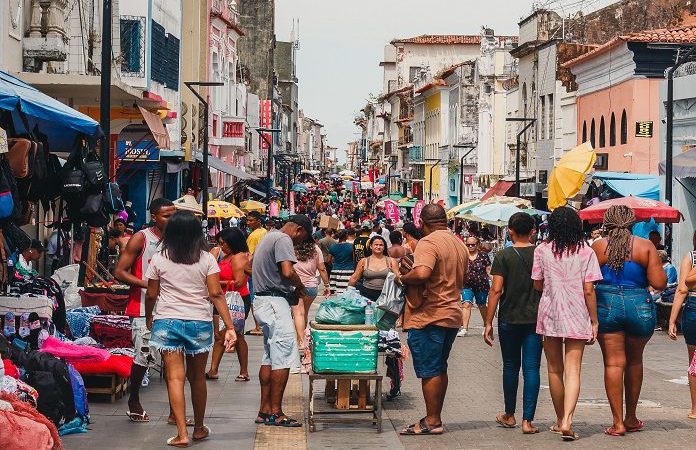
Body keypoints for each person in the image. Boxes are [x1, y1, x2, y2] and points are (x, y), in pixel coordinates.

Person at [144, 211, 237, 447]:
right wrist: (229, 326)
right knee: (198, 378)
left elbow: (152, 293)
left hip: (167, 321)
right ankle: (198, 428)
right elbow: (216, 293)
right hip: (199, 322)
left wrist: (149, 317)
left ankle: (181, 433)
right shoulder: (207, 258)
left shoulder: (159, 258)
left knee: (174, 378)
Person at [591, 205, 666, 436]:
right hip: (638, 305)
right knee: (635, 361)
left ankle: (617, 423)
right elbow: (660, 283)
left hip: (606, 303)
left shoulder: (599, 246)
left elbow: (587, 280)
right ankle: (631, 417)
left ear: (608, 224)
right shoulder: (645, 246)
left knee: (613, 363)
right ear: (633, 224)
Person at [532, 207, 602, 441]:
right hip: (577, 314)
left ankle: (559, 418)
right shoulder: (586, 252)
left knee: (554, 369)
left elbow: (537, 285)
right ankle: (568, 421)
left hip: (550, 313)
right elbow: (589, 290)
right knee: (574, 371)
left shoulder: (542, 250)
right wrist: (594, 321)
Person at [399, 204, 468, 435]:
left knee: (430, 370)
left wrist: (402, 278)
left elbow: (422, 273)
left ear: (422, 222)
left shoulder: (428, 242)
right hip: (451, 314)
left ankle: (432, 420)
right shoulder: (458, 243)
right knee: (440, 367)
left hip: (429, 315)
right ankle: (435, 417)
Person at [115, 198, 177, 424]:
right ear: (154, 217)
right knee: (144, 356)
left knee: (174, 360)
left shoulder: (177, 239)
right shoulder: (142, 238)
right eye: (165, 216)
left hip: (171, 308)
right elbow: (120, 272)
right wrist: (148, 285)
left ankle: (175, 411)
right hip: (142, 308)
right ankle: (134, 399)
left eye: (173, 215)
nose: (171, 220)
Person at [483, 213, 542, 435]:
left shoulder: (504, 255)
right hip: (535, 318)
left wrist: (488, 322)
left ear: (510, 231)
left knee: (510, 366)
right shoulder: (540, 253)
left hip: (509, 317)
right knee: (532, 368)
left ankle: (509, 414)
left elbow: (496, 289)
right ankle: (528, 421)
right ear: (533, 230)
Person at [252, 215, 313, 427]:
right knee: (284, 357)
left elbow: (251, 267)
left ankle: (264, 410)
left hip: (261, 300)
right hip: (274, 303)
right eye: (302, 239)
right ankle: (276, 413)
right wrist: (300, 286)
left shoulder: (267, 237)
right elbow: (288, 271)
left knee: (269, 356)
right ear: (298, 230)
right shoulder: (284, 239)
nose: (300, 244)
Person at [206, 227, 251, 382]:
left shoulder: (238, 257)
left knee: (236, 334)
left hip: (237, 299)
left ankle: (243, 371)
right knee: (219, 335)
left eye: (223, 243)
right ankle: (213, 370)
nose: (221, 246)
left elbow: (238, 282)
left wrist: (215, 282)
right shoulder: (225, 256)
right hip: (222, 299)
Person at [668, 230, 696, 419]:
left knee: (694, 361)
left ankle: (695, 408)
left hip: (694, 307)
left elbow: (682, 289)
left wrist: (672, 320)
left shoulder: (692, 257)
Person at [292, 239, 331, 344]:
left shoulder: (291, 248)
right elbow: (322, 268)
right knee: (304, 313)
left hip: (295, 286)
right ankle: (302, 339)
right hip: (311, 287)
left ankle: (300, 341)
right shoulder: (316, 249)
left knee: (298, 313)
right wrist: (327, 285)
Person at [348, 236, 400, 302]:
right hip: (366, 296)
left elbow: (397, 277)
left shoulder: (391, 261)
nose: (378, 247)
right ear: (370, 246)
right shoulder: (364, 261)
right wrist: (348, 292)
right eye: (376, 245)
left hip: (386, 296)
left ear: (384, 247)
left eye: (381, 245)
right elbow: (354, 278)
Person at [459, 236, 491, 337]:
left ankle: (486, 326)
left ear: (477, 245)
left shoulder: (483, 256)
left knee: (481, 305)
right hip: (467, 285)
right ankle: (464, 328)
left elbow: (489, 270)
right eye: (468, 244)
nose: (470, 246)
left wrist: (496, 283)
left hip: (481, 285)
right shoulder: (463, 256)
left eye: (473, 244)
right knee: (466, 304)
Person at [246, 211, 267, 336]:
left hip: (254, 271)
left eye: (251, 220)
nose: (248, 223)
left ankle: (258, 326)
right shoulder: (264, 232)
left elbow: (250, 255)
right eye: (247, 220)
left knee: (254, 298)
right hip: (263, 270)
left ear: (258, 221)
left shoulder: (253, 236)